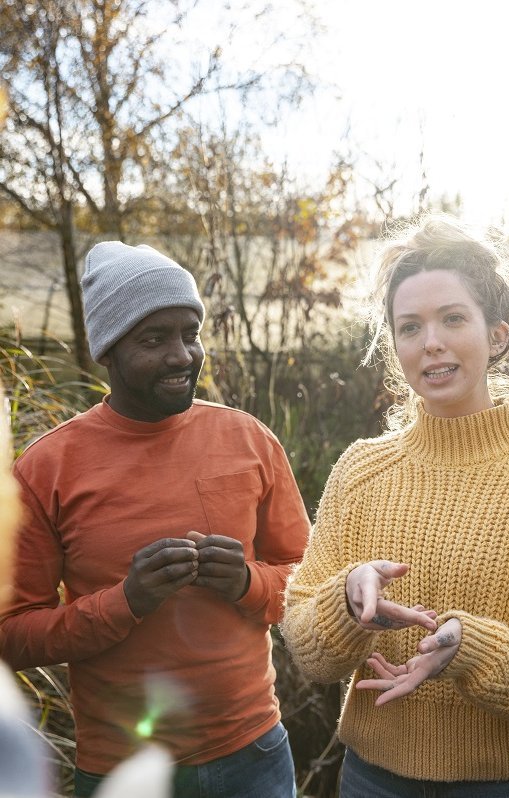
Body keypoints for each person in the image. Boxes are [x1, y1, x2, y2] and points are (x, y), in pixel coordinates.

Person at [281, 212, 509, 798]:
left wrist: (468, 647)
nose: (431, 341)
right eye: (410, 326)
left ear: (498, 334)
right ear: (395, 346)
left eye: (453, 318)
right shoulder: (362, 470)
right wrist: (346, 598)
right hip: (373, 779)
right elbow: (307, 644)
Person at [0, 242, 311, 798]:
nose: (182, 355)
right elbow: (13, 635)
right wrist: (125, 603)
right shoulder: (46, 468)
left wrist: (247, 581)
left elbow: (311, 580)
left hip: (255, 754)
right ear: (108, 352)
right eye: (154, 338)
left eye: (190, 333)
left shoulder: (249, 439)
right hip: (122, 768)